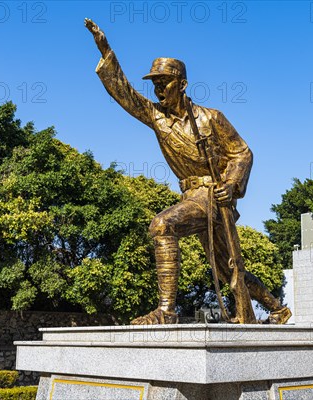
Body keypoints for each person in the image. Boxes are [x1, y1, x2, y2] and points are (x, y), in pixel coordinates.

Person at [85, 18, 291, 325]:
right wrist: (105, 49)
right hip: (192, 195)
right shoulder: (157, 117)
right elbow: (124, 93)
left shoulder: (211, 118)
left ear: (181, 84)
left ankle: (166, 311)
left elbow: (241, 152)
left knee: (163, 225)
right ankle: (276, 307)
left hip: (214, 195)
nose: (158, 90)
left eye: (163, 83)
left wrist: (232, 185)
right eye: (154, 84)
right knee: (227, 268)